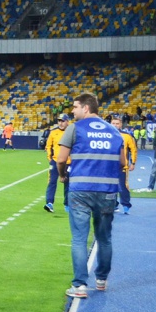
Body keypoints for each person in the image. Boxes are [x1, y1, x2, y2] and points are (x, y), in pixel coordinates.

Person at [56, 93, 126, 298]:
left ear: (86, 108)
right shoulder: (114, 131)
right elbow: (123, 163)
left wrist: (62, 175)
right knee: (104, 238)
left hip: (80, 190)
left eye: (75, 107)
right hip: (107, 191)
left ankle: (79, 286)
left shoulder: (74, 128)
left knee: (79, 238)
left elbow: (60, 159)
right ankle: (101, 280)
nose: (72, 111)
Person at [43, 114, 71, 213]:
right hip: (55, 161)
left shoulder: (72, 132)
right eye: (59, 121)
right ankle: (49, 203)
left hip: (68, 162)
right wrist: (50, 158)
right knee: (52, 181)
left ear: (67, 121)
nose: (60, 123)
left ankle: (67, 204)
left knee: (68, 183)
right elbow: (48, 146)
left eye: (63, 121)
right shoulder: (53, 132)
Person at [111, 115, 137, 214]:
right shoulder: (106, 134)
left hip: (122, 166)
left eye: (117, 123)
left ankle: (126, 205)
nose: (115, 125)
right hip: (109, 166)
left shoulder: (127, 136)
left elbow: (133, 150)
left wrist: (133, 162)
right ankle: (113, 205)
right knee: (110, 186)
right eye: (113, 123)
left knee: (123, 186)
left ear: (121, 124)